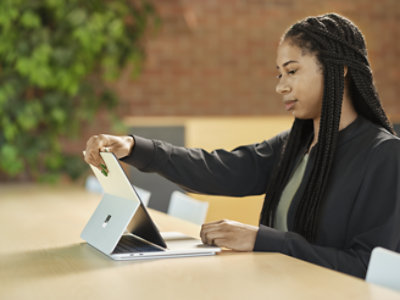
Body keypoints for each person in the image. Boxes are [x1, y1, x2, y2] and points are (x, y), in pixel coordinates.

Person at [84, 13, 400, 278]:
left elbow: (368, 267)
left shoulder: (383, 155)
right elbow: (219, 169)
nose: (281, 86)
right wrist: (134, 147)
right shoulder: (293, 145)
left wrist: (263, 239)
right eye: (279, 74)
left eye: (292, 71)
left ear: (340, 70)